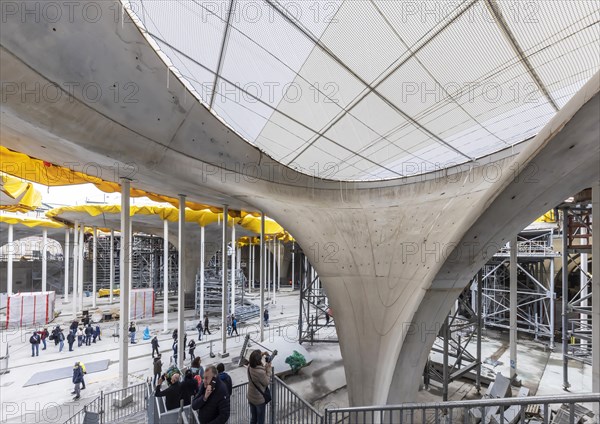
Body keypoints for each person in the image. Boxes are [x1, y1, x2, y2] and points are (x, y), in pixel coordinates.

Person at [247, 349, 272, 424]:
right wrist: (268, 369)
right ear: (258, 361)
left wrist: (262, 354)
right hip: (259, 400)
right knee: (260, 420)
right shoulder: (260, 372)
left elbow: (255, 359)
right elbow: (266, 382)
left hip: (251, 396)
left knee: (253, 418)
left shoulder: (249, 367)